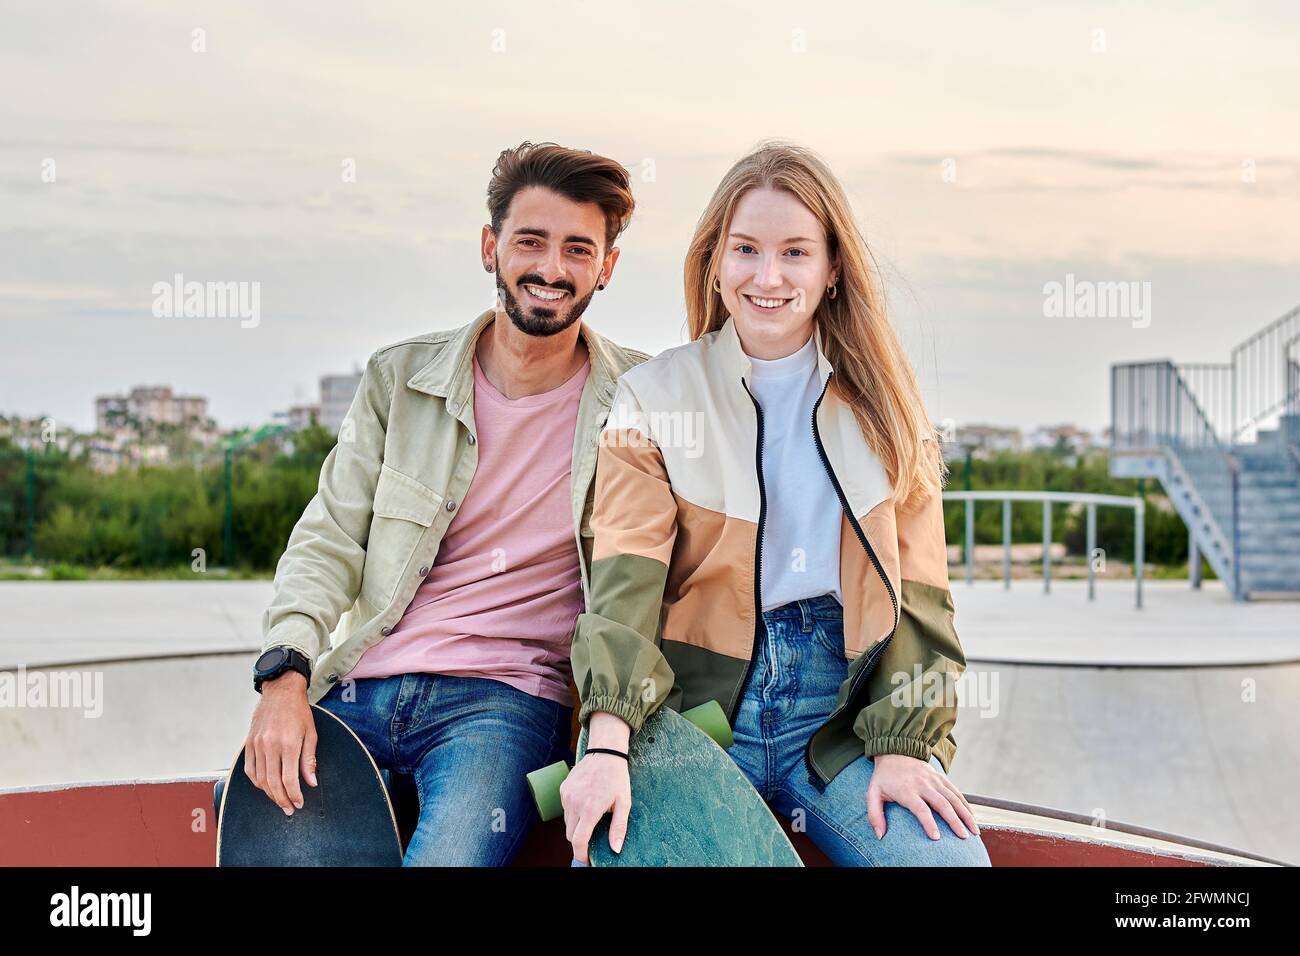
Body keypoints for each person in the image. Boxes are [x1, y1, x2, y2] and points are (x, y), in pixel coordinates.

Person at [561, 140, 991, 866]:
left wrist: (906, 743)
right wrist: (607, 739)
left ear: (831, 271)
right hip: (691, 714)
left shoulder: (889, 411)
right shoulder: (653, 399)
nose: (769, 275)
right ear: (716, 264)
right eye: (746, 250)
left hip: (839, 719)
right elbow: (622, 596)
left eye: (795, 253)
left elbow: (922, 604)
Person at [245, 141, 648, 866]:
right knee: (255, 825)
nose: (551, 269)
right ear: (491, 247)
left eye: (577, 250)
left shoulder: (642, 401)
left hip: (507, 705)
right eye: (531, 241)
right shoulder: (400, 381)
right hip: (365, 684)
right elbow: (329, 537)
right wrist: (285, 677)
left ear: (606, 267)